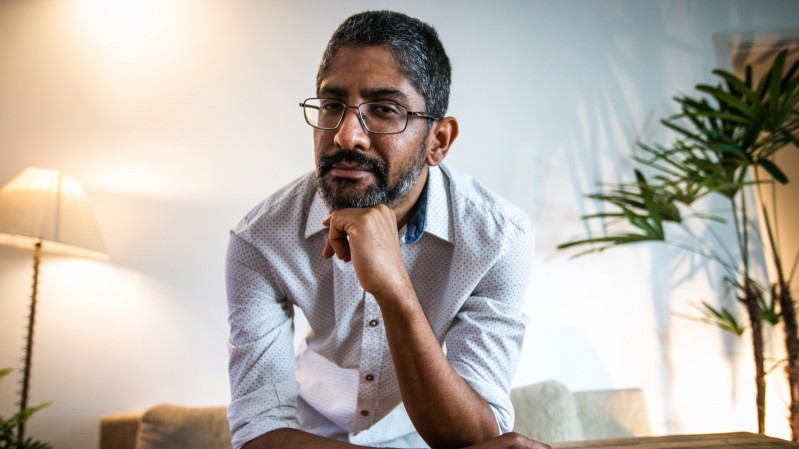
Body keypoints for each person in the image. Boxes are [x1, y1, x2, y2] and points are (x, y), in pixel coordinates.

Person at [225, 10, 549, 449]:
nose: (346, 136)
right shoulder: (261, 240)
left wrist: (395, 287)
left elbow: (474, 436)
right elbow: (258, 432)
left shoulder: (496, 239)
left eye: (383, 110)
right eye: (332, 105)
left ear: (439, 141)